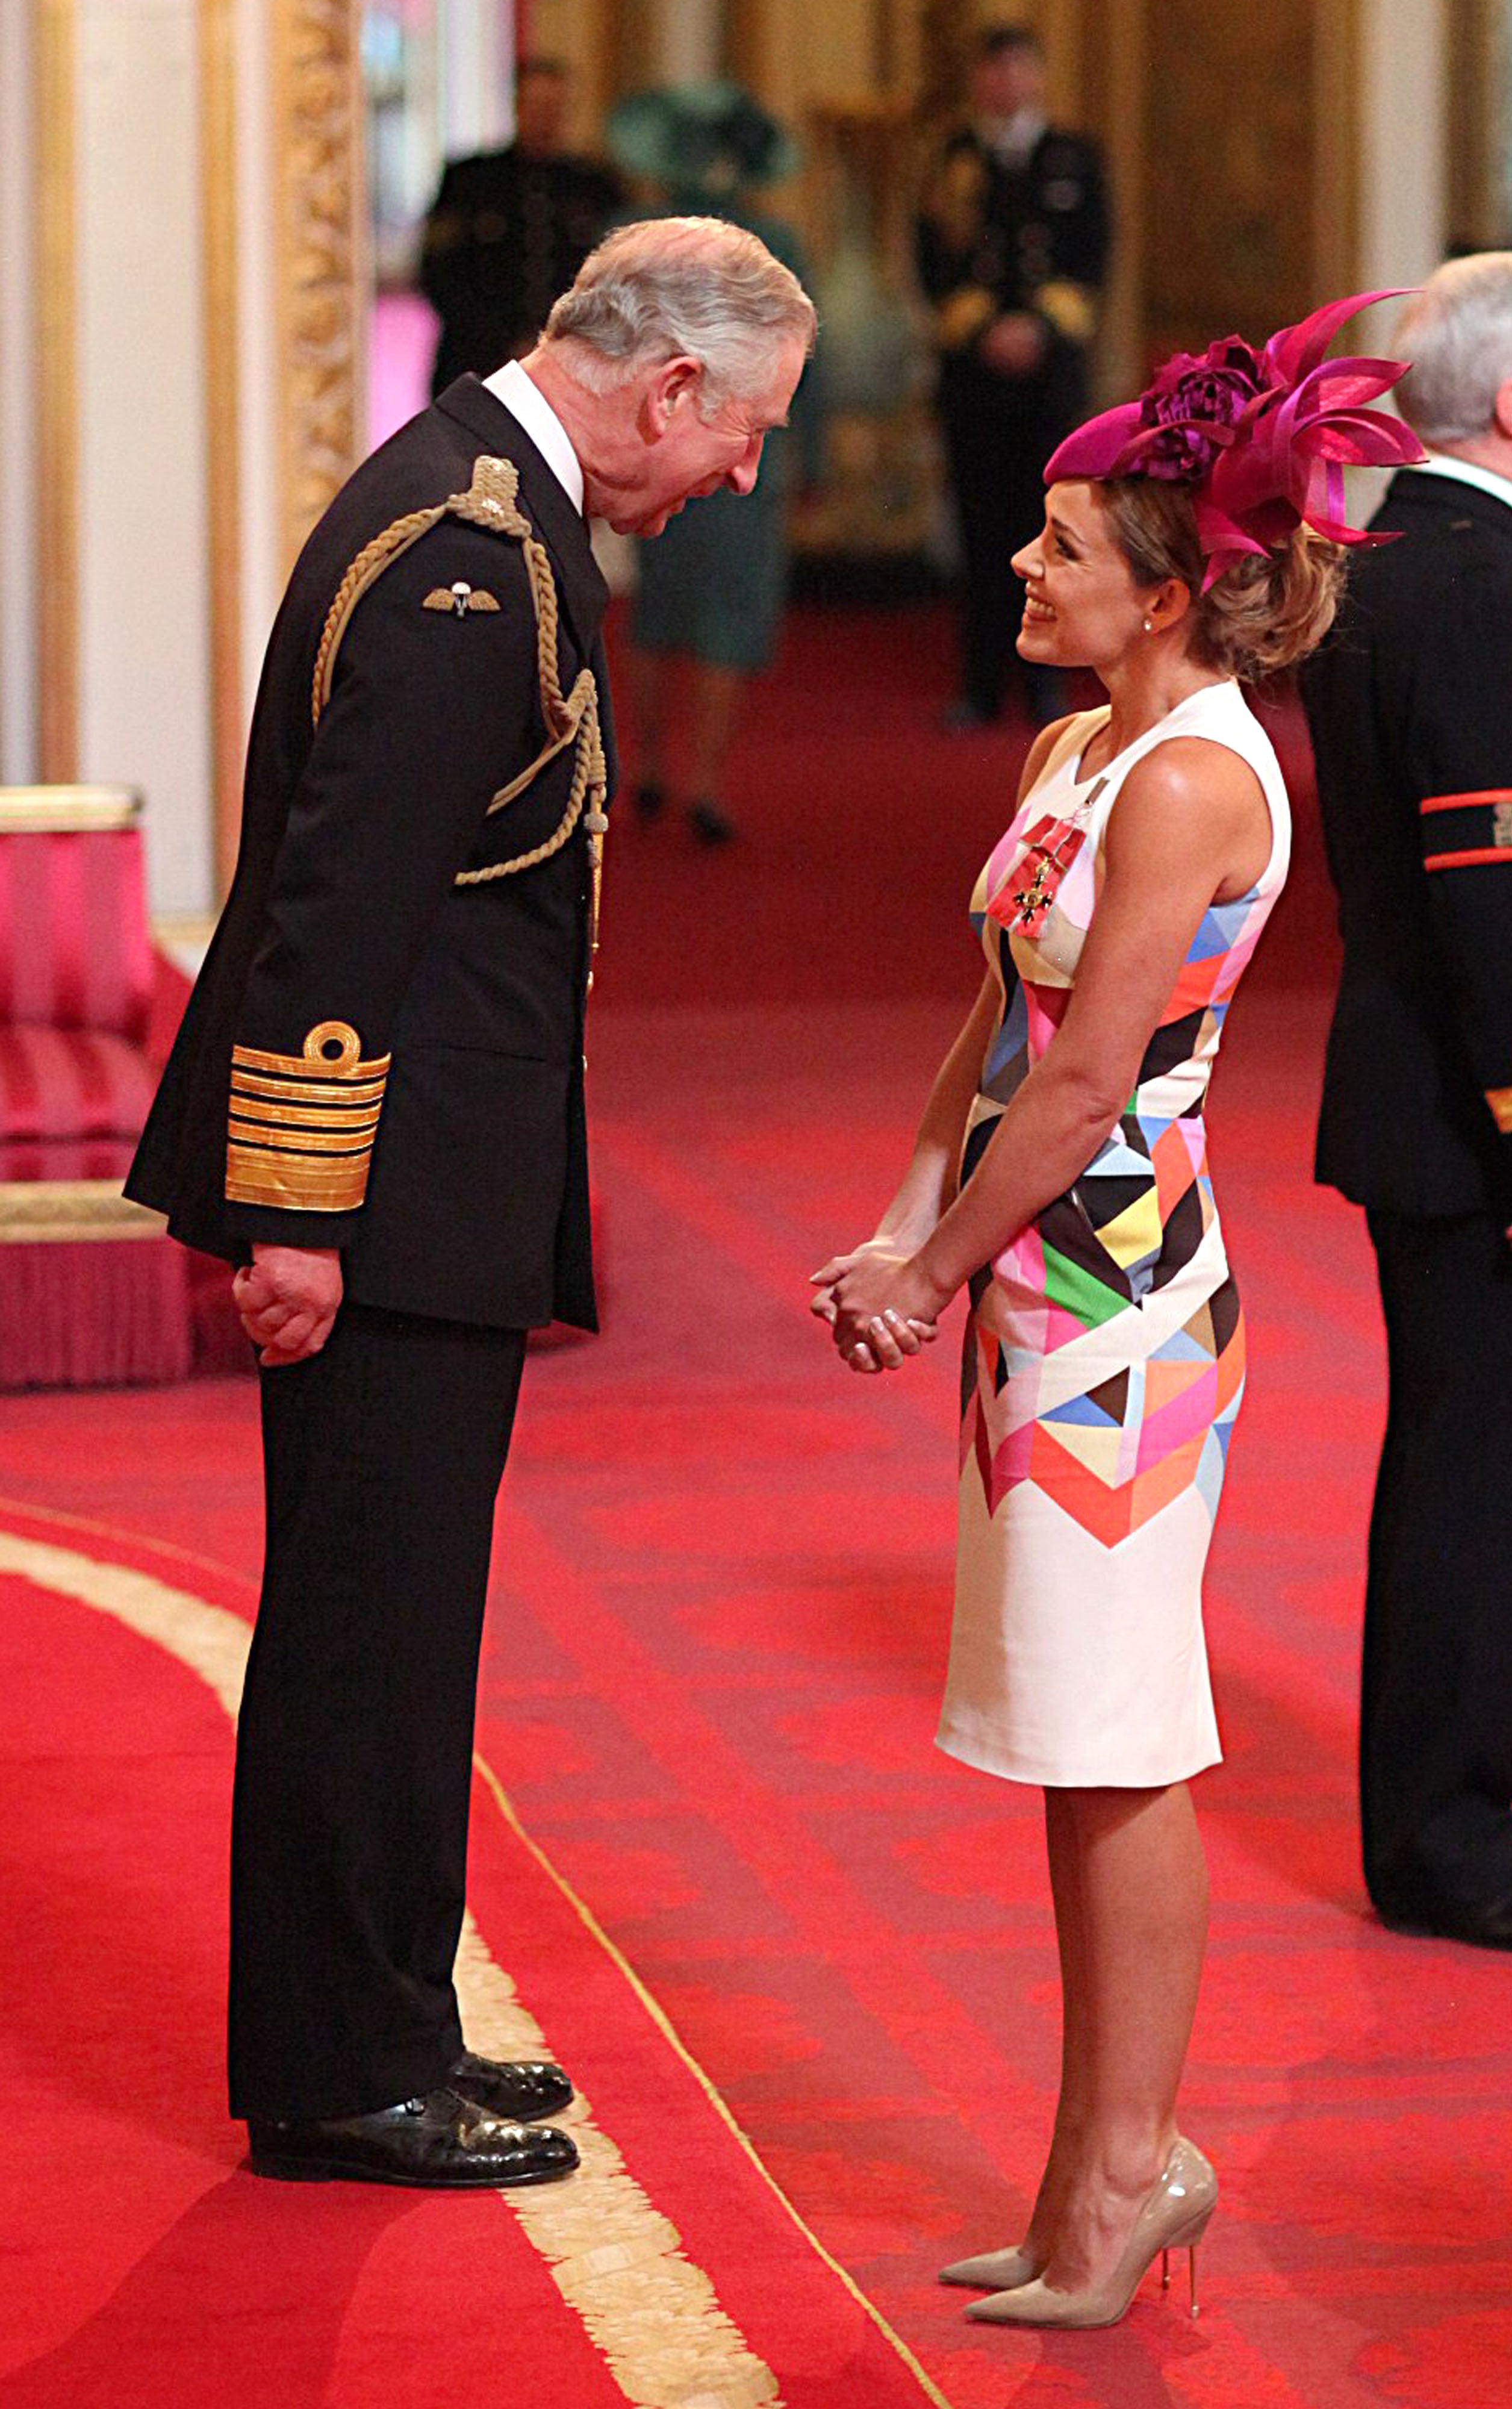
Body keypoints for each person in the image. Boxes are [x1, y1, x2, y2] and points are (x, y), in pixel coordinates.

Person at [126, 216, 814, 2187]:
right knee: (373, 1634)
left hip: (429, 1177)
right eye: (745, 432)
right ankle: (347, 2072)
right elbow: (343, 916)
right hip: (389, 1192)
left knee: (410, 1633)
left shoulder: (486, 502)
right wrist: (296, 1216)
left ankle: (393, 2020)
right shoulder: (467, 558)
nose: (744, 477)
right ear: (669, 383)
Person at [812, 299, 1419, 2325]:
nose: (1021, 561)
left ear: (1170, 587)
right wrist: (903, 1225)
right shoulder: (1086, 743)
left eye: (1063, 544)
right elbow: (1004, 1018)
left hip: (1121, 1306)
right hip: (1026, 1283)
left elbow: (1088, 1090)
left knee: (1128, 1742)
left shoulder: (1197, 780)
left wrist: (937, 1267)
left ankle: (1130, 2177)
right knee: (1075, 1752)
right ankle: (1090, 2171)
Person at [1299, 257, 1512, 1948]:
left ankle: (1451, 1806)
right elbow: (1486, 888)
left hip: (1418, 1087)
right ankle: (1449, 1839)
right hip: (1467, 1102)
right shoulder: (1475, 582)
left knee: (1461, 1454)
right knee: (1467, 1467)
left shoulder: (1388, 557)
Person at [604, 81, 820, 846]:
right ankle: (691, 780)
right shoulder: (772, 246)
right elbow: (807, 369)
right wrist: (810, 458)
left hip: (678, 447)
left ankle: (661, 772)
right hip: (726, 452)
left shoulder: (636, 238)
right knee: (707, 615)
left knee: (672, 612)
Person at [915, 22, 1108, 731]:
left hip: (1051, 373)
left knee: (1052, 525)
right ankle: (978, 681)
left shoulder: (1074, 158)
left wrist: (1040, 328)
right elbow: (932, 261)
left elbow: (1090, 258)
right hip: (975, 372)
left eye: (1018, 69)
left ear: (1039, 76)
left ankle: (1047, 681)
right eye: (993, 71)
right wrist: (983, 329)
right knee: (980, 525)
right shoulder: (952, 162)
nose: (1005, 83)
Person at [418, 55, 623, 397]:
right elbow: (439, 273)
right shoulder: (470, 181)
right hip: (479, 361)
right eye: (536, 106)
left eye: (555, 107)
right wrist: (505, 342)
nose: (546, 119)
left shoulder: (595, 187)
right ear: (517, 107)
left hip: (571, 368)